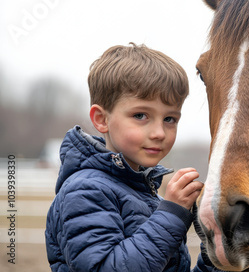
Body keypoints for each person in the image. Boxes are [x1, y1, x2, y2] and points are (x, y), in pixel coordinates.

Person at [45, 43, 218, 271]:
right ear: (101, 119)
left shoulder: (145, 192)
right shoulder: (85, 190)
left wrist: (215, 249)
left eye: (170, 119)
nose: (159, 133)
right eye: (140, 115)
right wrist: (172, 215)